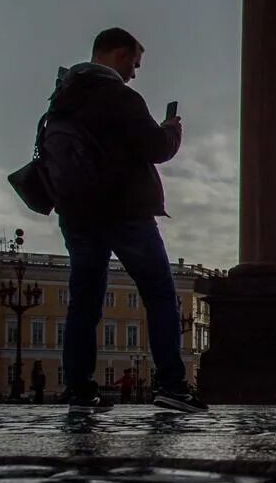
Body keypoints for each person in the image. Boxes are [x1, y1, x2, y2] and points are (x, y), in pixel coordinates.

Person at [42, 28, 205, 413]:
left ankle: (80, 389)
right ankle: (172, 385)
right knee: (160, 293)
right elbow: (156, 148)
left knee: (84, 301)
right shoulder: (118, 95)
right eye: (133, 63)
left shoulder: (62, 96)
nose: (134, 73)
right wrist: (173, 131)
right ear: (117, 55)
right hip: (125, 211)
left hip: (77, 213)